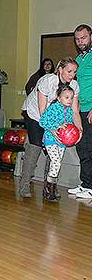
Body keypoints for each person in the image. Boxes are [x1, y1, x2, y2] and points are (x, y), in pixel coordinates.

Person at [19, 57, 82, 198]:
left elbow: (75, 111)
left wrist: (79, 129)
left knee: (53, 151)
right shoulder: (48, 80)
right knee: (35, 146)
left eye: (74, 72)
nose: (72, 75)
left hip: (55, 118)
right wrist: (51, 129)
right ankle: (24, 184)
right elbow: (43, 112)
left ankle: (49, 187)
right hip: (35, 114)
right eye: (69, 71)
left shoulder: (74, 86)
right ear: (60, 70)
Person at [39, 85, 75, 202]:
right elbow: (43, 121)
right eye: (67, 97)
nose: (69, 100)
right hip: (50, 139)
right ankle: (50, 188)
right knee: (56, 161)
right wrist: (56, 127)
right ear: (59, 98)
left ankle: (51, 187)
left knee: (57, 163)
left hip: (61, 141)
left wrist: (72, 134)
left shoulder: (69, 110)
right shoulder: (53, 108)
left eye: (71, 98)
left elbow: (68, 125)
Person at [68, 24, 92, 199]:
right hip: (79, 109)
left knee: (88, 148)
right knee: (82, 147)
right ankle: (86, 184)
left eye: (83, 38)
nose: (80, 41)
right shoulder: (80, 58)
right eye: (77, 39)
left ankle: (89, 187)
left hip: (90, 109)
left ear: (91, 36)